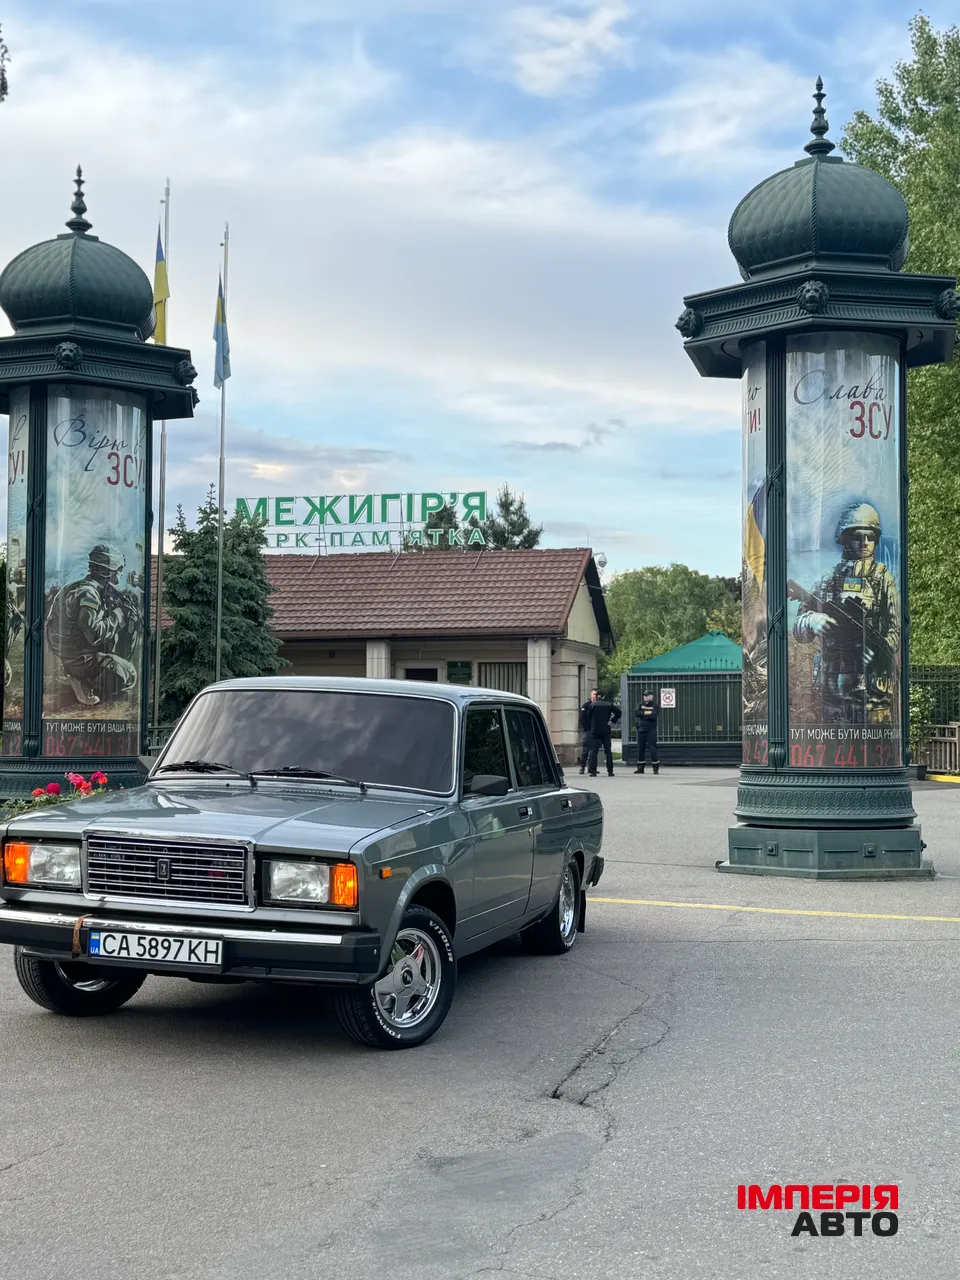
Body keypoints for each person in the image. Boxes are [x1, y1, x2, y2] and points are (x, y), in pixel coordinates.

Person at [790, 502, 899, 725]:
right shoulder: (827, 581)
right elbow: (798, 629)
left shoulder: (883, 580)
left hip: (872, 696)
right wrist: (812, 620)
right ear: (845, 538)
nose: (865, 542)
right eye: (858, 535)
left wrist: (879, 653)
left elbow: (895, 630)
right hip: (832, 692)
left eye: (871, 536)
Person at [45, 544, 139, 708]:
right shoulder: (88, 594)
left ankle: (82, 676)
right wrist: (119, 615)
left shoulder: (78, 587)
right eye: (119, 569)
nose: (121, 573)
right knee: (129, 674)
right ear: (108, 571)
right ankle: (82, 681)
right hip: (76, 656)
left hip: (69, 649)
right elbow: (94, 634)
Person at [583, 694, 621, 778]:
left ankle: (593, 771)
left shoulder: (592, 705)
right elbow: (618, 712)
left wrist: (592, 724)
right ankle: (610, 771)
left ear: (597, 698)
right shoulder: (609, 704)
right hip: (606, 730)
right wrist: (612, 721)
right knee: (608, 752)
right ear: (604, 697)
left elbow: (588, 716)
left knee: (594, 751)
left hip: (595, 731)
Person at [634, 690, 660, 774]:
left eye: (647, 695)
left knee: (652, 749)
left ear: (651, 696)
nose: (645, 697)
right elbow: (636, 713)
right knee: (640, 749)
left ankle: (655, 768)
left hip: (650, 730)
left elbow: (653, 715)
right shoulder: (640, 704)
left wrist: (643, 714)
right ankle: (640, 768)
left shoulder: (655, 705)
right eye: (644, 695)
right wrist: (646, 713)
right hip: (641, 730)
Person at [578, 688, 598, 775]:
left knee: (594, 750)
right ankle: (582, 767)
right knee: (585, 749)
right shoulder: (586, 705)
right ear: (590, 695)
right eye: (593, 694)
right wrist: (587, 728)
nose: (595, 696)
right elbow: (582, 718)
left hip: (596, 731)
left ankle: (591, 768)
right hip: (588, 731)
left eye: (596, 695)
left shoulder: (599, 705)